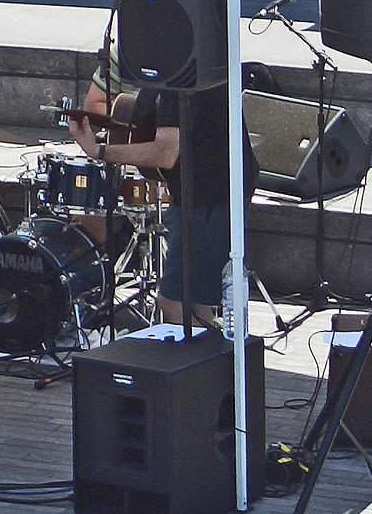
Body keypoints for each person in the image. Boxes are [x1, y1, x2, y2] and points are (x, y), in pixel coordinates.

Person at [67, 43, 255, 330]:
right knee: (197, 300)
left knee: (173, 302)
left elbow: (165, 153)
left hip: (210, 193)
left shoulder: (177, 79)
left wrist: (99, 152)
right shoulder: (197, 56)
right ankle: (208, 361)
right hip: (209, 188)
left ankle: (194, 365)